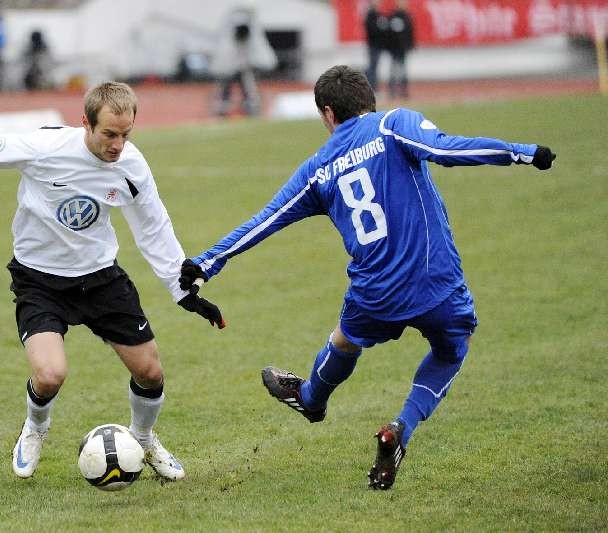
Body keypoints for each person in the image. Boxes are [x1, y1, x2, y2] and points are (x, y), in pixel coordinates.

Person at [178, 65, 556, 490]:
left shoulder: (317, 169)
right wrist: (525, 152)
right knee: (452, 350)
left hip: (375, 293)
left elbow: (265, 220)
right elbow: (447, 151)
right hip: (436, 284)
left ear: (327, 114)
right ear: (369, 100)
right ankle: (401, 427)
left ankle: (311, 401)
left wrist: (207, 262)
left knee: (345, 338)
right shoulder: (395, 124)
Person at [0, 82, 225, 481]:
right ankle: (34, 428)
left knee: (150, 372)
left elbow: (152, 226)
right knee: (50, 375)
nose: (118, 145)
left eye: (125, 135)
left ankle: (142, 439)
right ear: (85, 122)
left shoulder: (131, 166)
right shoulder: (46, 149)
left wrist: (182, 289)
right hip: (39, 280)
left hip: (101, 279)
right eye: (109, 135)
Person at [212, 6, 277, 117]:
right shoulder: (228, 42)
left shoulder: (251, 39)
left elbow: (260, 52)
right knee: (226, 88)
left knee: (248, 88)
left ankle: (250, 107)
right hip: (230, 67)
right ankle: (223, 109)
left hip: (244, 67)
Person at [385, 0, 414, 99]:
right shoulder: (393, 16)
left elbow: (410, 32)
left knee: (403, 70)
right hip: (394, 49)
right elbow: (388, 33)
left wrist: (410, 45)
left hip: (403, 49)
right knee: (394, 70)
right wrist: (388, 46)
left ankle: (403, 90)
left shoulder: (407, 17)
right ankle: (392, 90)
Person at [363, 0, 388, 94]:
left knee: (374, 67)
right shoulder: (370, 15)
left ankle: (373, 87)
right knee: (372, 68)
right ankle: (372, 88)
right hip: (373, 45)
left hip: (377, 45)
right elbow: (371, 30)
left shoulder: (378, 15)